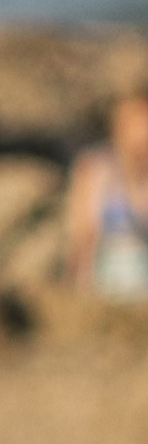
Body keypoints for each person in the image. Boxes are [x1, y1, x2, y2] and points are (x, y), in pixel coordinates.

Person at [63, 87, 148, 301]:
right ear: (119, 125)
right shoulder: (95, 169)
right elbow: (83, 237)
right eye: (139, 123)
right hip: (106, 292)